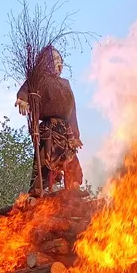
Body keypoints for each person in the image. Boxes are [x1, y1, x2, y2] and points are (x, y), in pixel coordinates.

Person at [15, 46, 83, 195]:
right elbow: (27, 89)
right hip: (49, 129)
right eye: (56, 59)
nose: (60, 63)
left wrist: (76, 136)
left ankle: (73, 188)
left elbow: (72, 112)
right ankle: (39, 190)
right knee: (45, 161)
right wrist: (22, 100)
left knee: (71, 163)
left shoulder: (65, 84)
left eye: (61, 60)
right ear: (47, 61)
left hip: (66, 131)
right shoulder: (38, 78)